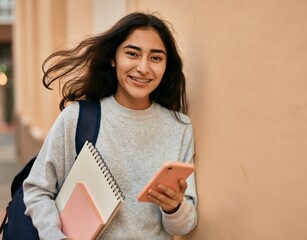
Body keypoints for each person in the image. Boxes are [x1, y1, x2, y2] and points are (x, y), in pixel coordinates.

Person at [23, 12, 198, 239]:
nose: (143, 68)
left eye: (156, 58)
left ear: (166, 66)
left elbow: (184, 226)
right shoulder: (76, 118)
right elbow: (37, 189)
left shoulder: (179, 128)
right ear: (113, 58)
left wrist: (174, 207)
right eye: (132, 54)